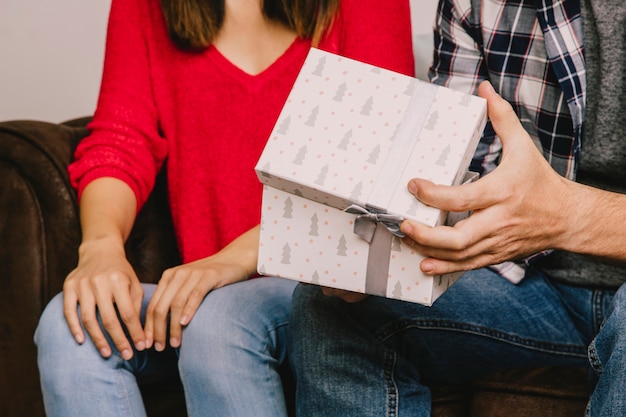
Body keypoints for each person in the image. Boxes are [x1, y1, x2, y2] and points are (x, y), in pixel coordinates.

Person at [33, 0, 415, 416]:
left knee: (219, 322)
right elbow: (120, 140)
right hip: (207, 297)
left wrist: (234, 258)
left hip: (327, 290)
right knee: (68, 325)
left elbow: (382, 165)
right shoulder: (144, 7)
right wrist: (101, 248)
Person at [288, 0, 626, 416]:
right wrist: (385, 253)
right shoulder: (475, 5)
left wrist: (571, 216)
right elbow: (457, 169)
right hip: (535, 282)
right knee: (330, 308)